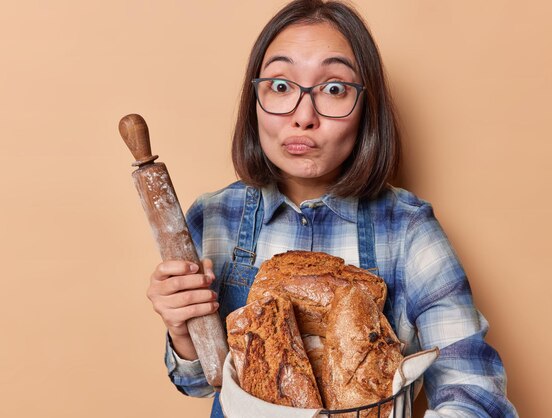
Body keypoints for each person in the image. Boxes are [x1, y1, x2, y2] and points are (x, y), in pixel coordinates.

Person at [146, 0, 518, 416]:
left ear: (367, 109)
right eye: (281, 86)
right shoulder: (213, 217)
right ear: (254, 101)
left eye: (334, 88)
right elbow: (203, 382)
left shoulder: (408, 230)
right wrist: (183, 331)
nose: (304, 116)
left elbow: (474, 389)